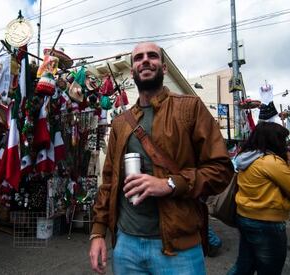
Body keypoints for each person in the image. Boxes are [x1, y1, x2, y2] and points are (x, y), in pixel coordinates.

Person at [88, 42, 234, 274]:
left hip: (179, 248)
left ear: (163, 68)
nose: (145, 60)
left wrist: (169, 184)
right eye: (138, 58)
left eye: (152, 56)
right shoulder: (120, 123)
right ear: (134, 70)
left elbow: (221, 169)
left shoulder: (190, 108)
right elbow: (109, 182)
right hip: (126, 246)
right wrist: (98, 232)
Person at [228, 122, 290, 275]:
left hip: (244, 217)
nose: (285, 144)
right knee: (269, 269)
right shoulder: (271, 162)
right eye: (282, 139)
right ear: (274, 140)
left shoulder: (246, 157)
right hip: (267, 223)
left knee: (244, 266)